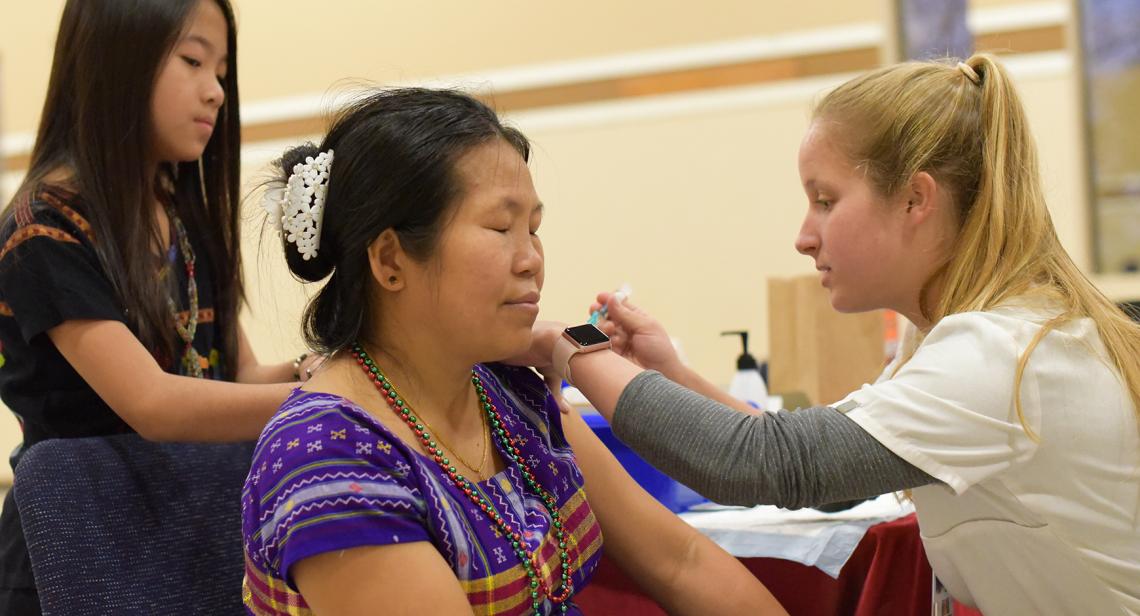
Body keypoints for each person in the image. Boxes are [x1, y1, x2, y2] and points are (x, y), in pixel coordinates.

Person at [525, 54, 1140, 615]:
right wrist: (671, 374)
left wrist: (569, 345)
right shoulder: (965, 338)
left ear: (915, 199)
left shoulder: (998, 357)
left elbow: (763, 463)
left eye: (825, 200)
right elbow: (822, 472)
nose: (804, 236)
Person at [240, 88, 785, 616]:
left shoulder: (504, 390)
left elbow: (680, 561)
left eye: (534, 229)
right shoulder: (328, 455)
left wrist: (576, 345)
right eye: (501, 227)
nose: (532, 260)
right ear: (390, 260)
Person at [0, 1, 318, 612]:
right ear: (116, 60)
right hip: (79, 546)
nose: (216, 91)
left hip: (188, 520)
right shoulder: (42, 229)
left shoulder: (179, 207)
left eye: (221, 70)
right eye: (193, 61)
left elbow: (235, 377)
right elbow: (154, 403)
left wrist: (315, 370)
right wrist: (333, 398)